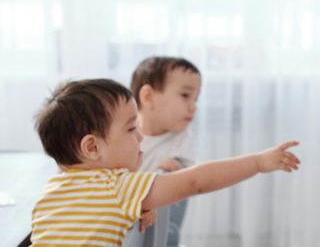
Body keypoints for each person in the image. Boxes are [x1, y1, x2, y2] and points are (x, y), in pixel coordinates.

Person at [31, 79, 300, 246]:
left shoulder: (49, 192)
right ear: (92, 147)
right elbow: (196, 181)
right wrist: (258, 162)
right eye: (130, 129)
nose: (140, 136)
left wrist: (134, 211)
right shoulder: (117, 187)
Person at [131, 57, 200, 173]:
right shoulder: (122, 136)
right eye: (185, 95)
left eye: (196, 99)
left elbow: (192, 182)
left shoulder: (182, 140)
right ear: (148, 97)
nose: (194, 107)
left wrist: (180, 171)